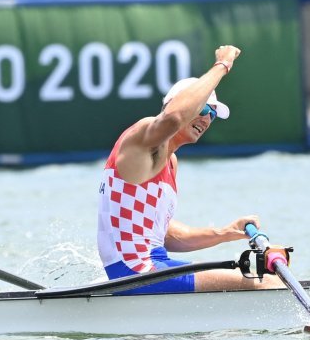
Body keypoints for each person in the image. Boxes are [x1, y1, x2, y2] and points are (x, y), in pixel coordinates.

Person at [97, 45, 281, 293]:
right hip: (137, 272)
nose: (207, 119)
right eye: (203, 108)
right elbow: (173, 118)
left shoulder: (170, 162)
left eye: (212, 115)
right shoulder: (144, 135)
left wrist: (224, 232)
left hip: (154, 266)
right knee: (265, 281)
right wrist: (222, 65)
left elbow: (163, 234)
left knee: (259, 272)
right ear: (176, 103)